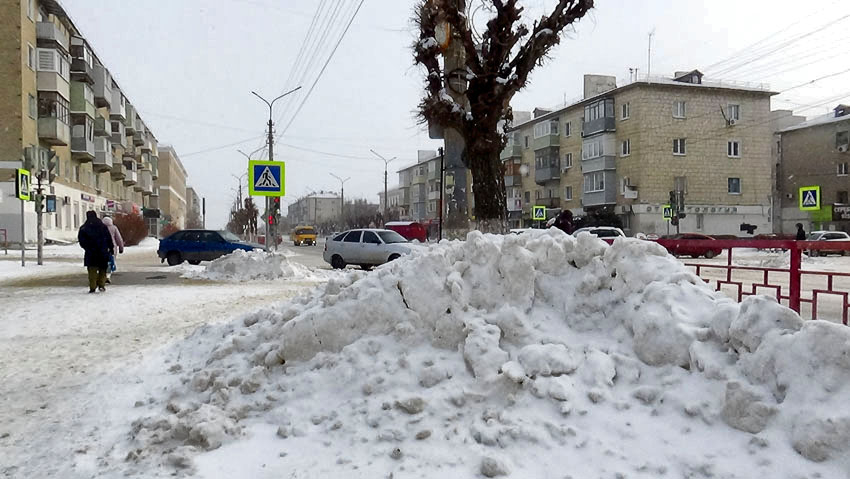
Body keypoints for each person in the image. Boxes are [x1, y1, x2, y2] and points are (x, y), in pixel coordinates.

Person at [78, 211, 113, 293]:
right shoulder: (103, 227)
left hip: (91, 252)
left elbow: (81, 240)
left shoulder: (84, 228)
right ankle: (101, 284)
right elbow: (108, 238)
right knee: (102, 269)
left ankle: (92, 286)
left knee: (92, 270)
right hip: (102, 251)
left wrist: (87, 247)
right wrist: (110, 248)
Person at [101, 216, 124, 283]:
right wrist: (121, 247)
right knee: (110, 261)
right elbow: (119, 238)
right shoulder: (114, 228)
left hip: (102, 247)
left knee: (103, 262)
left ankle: (103, 275)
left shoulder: (100, 228)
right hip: (112, 247)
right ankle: (108, 275)